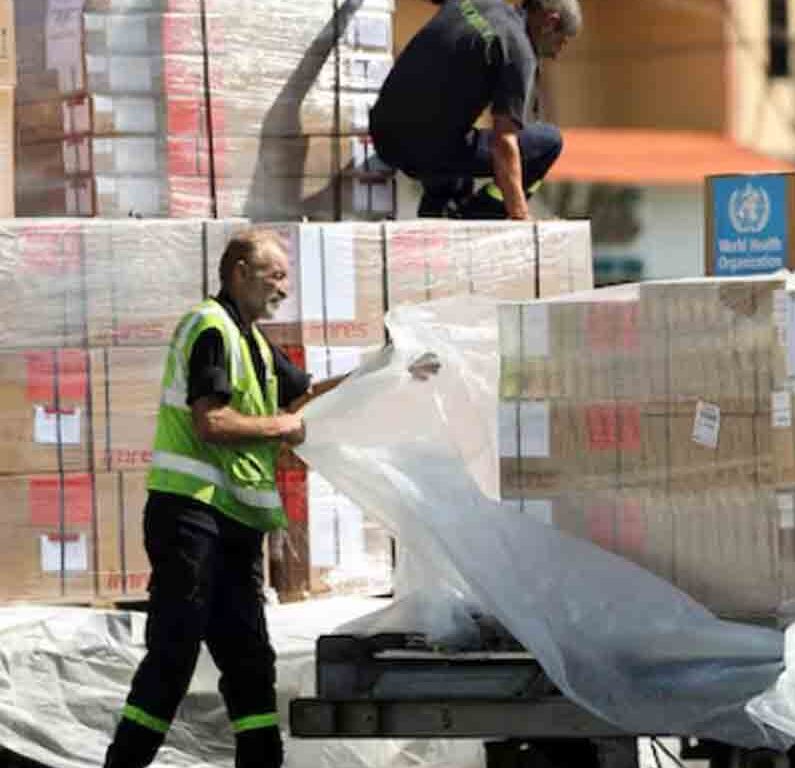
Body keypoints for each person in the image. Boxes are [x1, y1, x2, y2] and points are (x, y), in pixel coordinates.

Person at [101, 230, 438, 768]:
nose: (284, 286)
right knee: (175, 649)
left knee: (250, 657)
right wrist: (279, 426)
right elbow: (211, 422)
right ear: (238, 271)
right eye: (274, 274)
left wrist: (385, 368)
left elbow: (304, 395)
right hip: (191, 514)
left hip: (232, 521)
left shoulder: (254, 341)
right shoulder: (211, 329)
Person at [372, 0, 582, 220]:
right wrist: (522, 218)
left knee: (458, 161)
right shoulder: (518, 52)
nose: (557, 54)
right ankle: (479, 214)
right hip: (424, 152)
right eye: (561, 42)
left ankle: (439, 212)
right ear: (550, 22)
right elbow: (504, 143)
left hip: (384, 136)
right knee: (548, 143)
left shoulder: (473, 4)